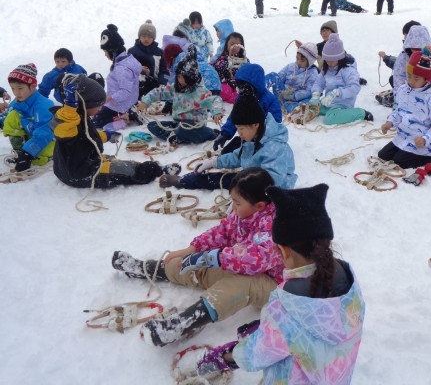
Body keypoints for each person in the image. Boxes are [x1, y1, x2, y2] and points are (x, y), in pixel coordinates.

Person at [195, 183, 365, 384]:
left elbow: (257, 354)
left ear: (283, 251)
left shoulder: (285, 306)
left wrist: (227, 356)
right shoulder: (349, 283)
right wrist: (270, 327)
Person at [112, 167, 283, 347]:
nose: (233, 207)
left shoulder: (276, 224)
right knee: (198, 267)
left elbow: (256, 260)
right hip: (244, 268)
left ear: (260, 206)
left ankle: (183, 324)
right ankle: (146, 269)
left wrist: (213, 257)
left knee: (242, 284)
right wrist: (193, 249)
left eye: (237, 203)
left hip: (275, 286)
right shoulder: (244, 214)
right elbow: (223, 231)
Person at [51, 74, 178, 188]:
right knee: (123, 170)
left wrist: (105, 135)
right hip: (80, 172)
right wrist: (69, 108)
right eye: (98, 105)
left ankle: (145, 167)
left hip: (81, 163)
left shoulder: (81, 116)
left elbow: (85, 137)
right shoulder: (68, 122)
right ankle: (153, 171)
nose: (101, 108)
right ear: (86, 105)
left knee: (114, 162)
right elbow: (62, 127)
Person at [165, 93, 296, 191]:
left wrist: (244, 199)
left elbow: (272, 183)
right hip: (255, 177)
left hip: (273, 189)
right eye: (238, 129)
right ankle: (190, 179)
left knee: (228, 181)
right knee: (228, 177)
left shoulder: (275, 148)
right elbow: (238, 156)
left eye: (241, 129)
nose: (239, 133)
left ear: (255, 124)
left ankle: (188, 181)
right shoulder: (255, 137)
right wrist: (214, 162)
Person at [137, 46, 221, 145]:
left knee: (183, 129)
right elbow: (159, 91)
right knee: (153, 125)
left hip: (194, 126)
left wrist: (217, 112)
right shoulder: (175, 87)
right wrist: (146, 101)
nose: (178, 79)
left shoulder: (200, 92)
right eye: (178, 76)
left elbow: (215, 100)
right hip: (178, 124)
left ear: (190, 77)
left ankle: (209, 133)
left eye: (181, 77)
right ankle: (177, 136)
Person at [379, 51, 431, 168]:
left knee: (400, 162)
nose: (411, 81)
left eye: (416, 78)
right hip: (403, 136)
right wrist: (389, 122)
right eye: (409, 76)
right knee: (382, 156)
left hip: (421, 141)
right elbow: (398, 111)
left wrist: (426, 139)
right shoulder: (403, 90)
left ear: (426, 79)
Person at [213, 63, 282, 153]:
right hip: (247, 137)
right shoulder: (242, 98)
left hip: (266, 141)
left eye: (244, 87)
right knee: (226, 154)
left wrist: (258, 133)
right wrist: (225, 134)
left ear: (255, 85)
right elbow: (235, 118)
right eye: (239, 87)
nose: (242, 90)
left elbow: (275, 124)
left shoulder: (271, 101)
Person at [310, 33, 373, 125]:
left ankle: (361, 113)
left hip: (343, 104)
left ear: (340, 58)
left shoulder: (348, 70)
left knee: (329, 119)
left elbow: (355, 87)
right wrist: (316, 94)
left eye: (332, 60)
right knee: (311, 108)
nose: (330, 63)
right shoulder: (326, 69)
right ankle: (330, 111)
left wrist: (337, 93)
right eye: (327, 60)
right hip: (328, 102)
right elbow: (319, 83)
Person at [2, 63, 55, 172]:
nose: (16, 93)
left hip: (48, 139)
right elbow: (8, 120)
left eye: (20, 88)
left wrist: (28, 154)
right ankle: (19, 151)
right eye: (13, 89)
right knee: (12, 116)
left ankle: (33, 155)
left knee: (42, 154)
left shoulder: (44, 105)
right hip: (31, 135)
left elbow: (45, 132)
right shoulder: (16, 103)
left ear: (33, 86)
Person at [93, 24, 142, 129]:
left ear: (113, 51)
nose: (105, 55)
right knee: (97, 111)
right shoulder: (128, 59)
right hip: (128, 102)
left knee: (96, 120)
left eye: (106, 52)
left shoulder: (121, 68)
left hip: (120, 105)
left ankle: (123, 120)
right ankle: (127, 114)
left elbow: (125, 91)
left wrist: (110, 98)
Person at [376, 20, 421, 107]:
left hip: (417, 93)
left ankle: (393, 100)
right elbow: (399, 65)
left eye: (406, 36)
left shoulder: (424, 55)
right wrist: (386, 57)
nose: (405, 39)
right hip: (411, 91)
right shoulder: (407, 53)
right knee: (393, 78)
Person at [392, 25, 431, 94]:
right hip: (407, 90)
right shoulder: (404, 56)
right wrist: (399, 94)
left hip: (426, 92)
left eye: (420, 49)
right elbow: (398, 76)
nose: (417, 52)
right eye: (414, 49)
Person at [128, 20, 168, 99]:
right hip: (136, 89)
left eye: (149, 37)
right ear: (139, 37)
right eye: (143, 36)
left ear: (153, 38)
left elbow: (164, 71)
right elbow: (127, 69)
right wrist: (139, 69)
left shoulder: (160, 52)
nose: (146, 39)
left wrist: (162, 83)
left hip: (155, 90)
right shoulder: (132, 51)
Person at [275, 42, 319, 113]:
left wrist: (294, 95)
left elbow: (309, 91)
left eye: (302, 60)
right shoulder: (290, 66)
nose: (298, 62)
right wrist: (281, 89)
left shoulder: (313, 73)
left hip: (299, 98)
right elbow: (279, 77)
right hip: (283, 94)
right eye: (297, 58)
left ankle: (296, 108)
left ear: (309, 62)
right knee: (273, 78)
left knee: (307, 101)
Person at [213, 31, 248, 103]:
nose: (234, 47)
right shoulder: (222, 60)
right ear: (227, 44)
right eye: (232, 44)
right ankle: (233, 96)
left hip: (241, 85)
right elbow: (217, 75)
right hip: (227, 85)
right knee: (223, 89)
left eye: (237, 44)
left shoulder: (244, 60)